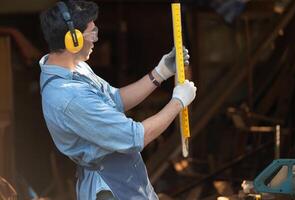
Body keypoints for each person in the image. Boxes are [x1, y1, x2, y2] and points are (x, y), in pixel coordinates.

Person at [39, 1, 197, 200]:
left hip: (123, 177)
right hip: (108, 189)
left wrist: (160, 73)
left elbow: (115, 99)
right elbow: (135, 137)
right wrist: (178, 102)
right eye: (91, 32)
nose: (96, 38)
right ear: (73, 40)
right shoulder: (69, 96)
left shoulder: (74, 68)